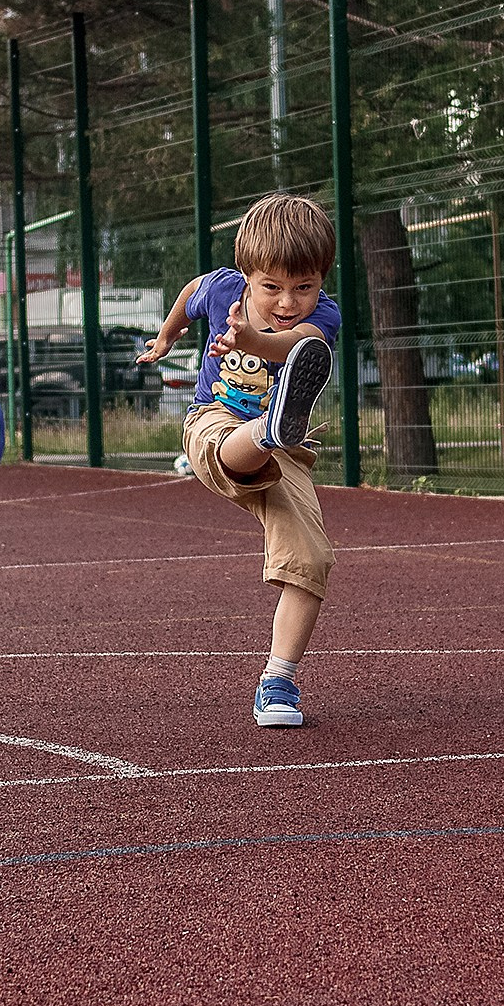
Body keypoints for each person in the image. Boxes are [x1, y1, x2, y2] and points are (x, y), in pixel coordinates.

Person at [137, 193, 339, 727]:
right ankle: (266, 429)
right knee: (232, 447)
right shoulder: (222, 288)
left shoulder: (322, 317)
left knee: (310, 557)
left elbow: (301, 344)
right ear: (247, 274)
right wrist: (165, 337)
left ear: (321, 280)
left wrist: (254, 339)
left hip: (286, 447)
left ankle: (278, 682)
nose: (288, 302)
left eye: (305, 287)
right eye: (271, 286)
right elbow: (189, 295)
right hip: (212, 424)